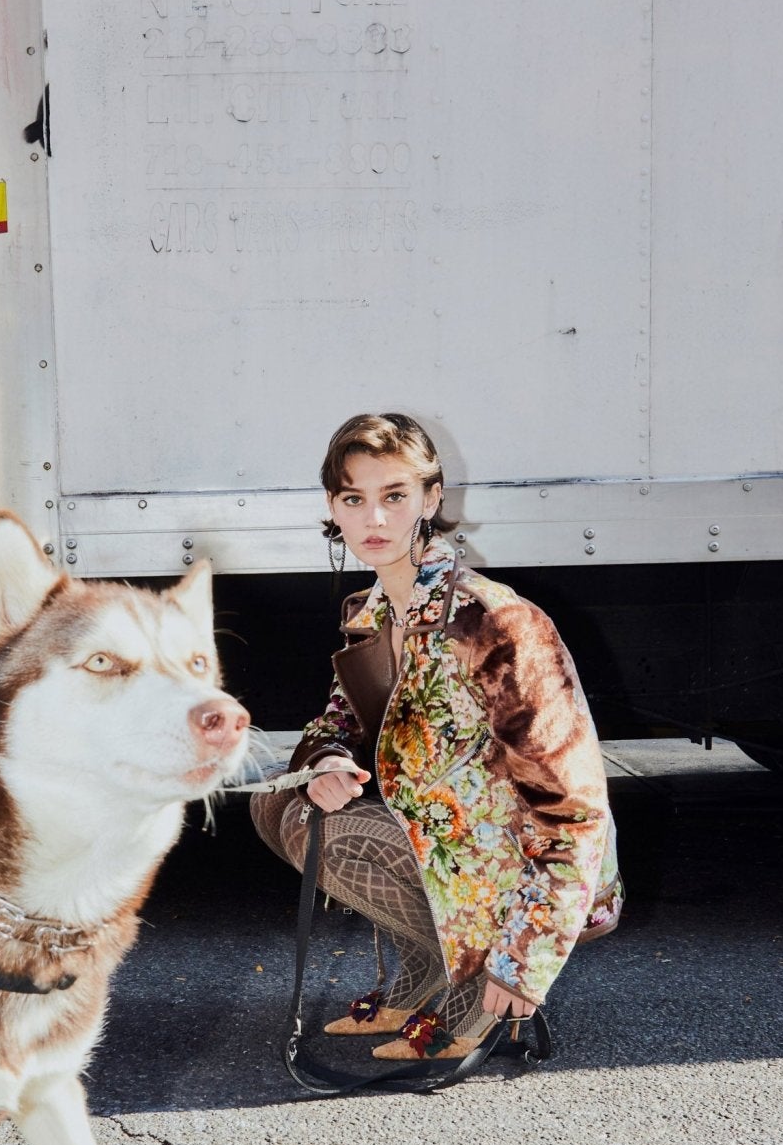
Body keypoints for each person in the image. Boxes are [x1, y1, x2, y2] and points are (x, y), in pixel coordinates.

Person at [252, 412, 622, 1064]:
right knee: (283, 805)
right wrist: (329, 760)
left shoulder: (493, 622)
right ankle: (426, 971)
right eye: (353, 499)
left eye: (393, 496)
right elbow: (330, 723)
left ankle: (477, 977)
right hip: (447, 844)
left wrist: (523, 958)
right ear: (331, 508)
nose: (374, 519)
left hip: (515, 874)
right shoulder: (375, 615)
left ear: (430, 499)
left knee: (339, 835)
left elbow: (573, 806)